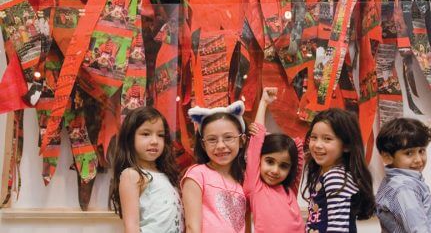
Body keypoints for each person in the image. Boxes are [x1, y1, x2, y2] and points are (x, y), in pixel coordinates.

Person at [110, 107, 184, 233]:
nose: (155, 141)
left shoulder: (166, 174)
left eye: (160, 135)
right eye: (145, 134)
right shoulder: (132, 175)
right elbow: (131, 227)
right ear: (129, 137)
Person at [302, 108, 375, 232]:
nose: (317, 145)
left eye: (327, 139)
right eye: (314, 137)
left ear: (346, 146)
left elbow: (338, 228)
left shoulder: (335, 177)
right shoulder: (323, 173)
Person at [244, 87, 305, 232]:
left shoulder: (289, 189)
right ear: (259, 160)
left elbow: (299, 154)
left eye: (284, 166)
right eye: (270, 161)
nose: (275, 170)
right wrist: (264, 102)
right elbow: (256, 143)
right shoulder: (255, 186)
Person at [182, 101, 248, 233]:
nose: (220, 145)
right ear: (203, 144)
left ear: (242, 140)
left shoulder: (241, 179)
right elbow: (192, 227)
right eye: (212, 139)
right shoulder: (197, 175)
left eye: (228, 137)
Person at [375, 117, 431, 233]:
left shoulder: (396, 182)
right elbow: (418, 229)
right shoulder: (404, 188)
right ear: (387, 156)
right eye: (409, 153)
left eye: (421, 151)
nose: (419, 159)